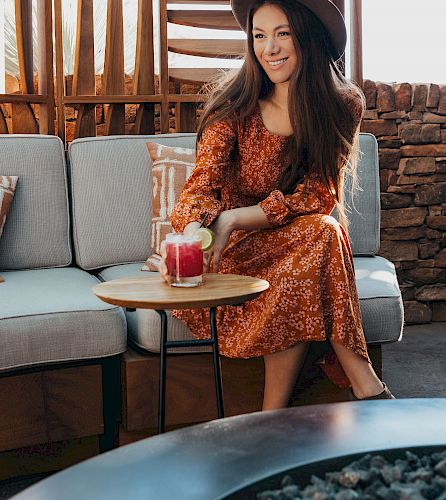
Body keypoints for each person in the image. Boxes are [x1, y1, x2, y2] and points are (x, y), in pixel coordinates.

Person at [160, 0, 394, 409]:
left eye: (282, 33)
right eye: (259, 36)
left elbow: (319, 195)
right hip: (235, 251)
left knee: (321, 230)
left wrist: (238, 215)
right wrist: (201, 231)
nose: (270, 48)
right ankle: (367, 387)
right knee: (322, 236)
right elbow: (197, 191)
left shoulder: (342, 105)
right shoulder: (233, 107)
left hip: (296, 240)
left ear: (307, 35)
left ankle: (274, 416)